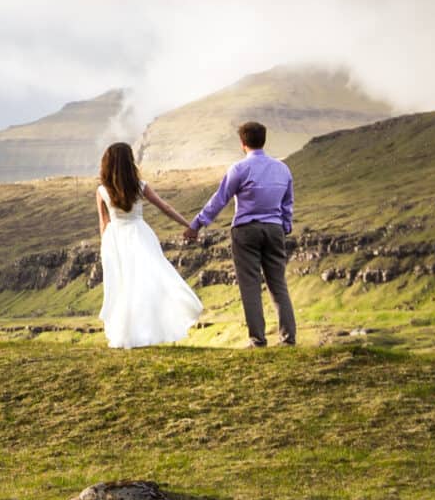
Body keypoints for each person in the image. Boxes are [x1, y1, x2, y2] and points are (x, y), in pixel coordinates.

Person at [187, 120, 296, 347]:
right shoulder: (283, 169)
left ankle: (258, 340)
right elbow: (288, 203)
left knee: (250, 286)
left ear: (242, 143)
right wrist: (284, 226)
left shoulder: (239, 169)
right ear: (263, 140)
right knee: (278, 285)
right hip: (275, 229)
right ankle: (288, 339)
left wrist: (197, 225)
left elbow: (219, 200)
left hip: (246, 231)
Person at [93, 140, 204, 348]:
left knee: (122, 286)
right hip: (140, 235)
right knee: (146, 283)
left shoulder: (102, 191)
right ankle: (143, 332)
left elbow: (103, 222)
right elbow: (165, 207)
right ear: (130, 163)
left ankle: (126, 335)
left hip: (114, 238)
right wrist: (189, 225)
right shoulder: (140, 187)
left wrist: (105, 247)